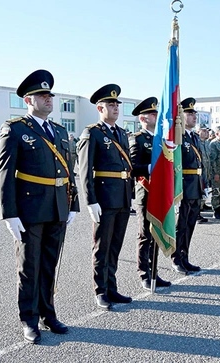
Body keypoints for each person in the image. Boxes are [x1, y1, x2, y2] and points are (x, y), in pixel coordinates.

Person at [0, 70, 79, 344]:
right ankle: (29, 319)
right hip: (29, 209)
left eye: (49, 95)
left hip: (57, 206)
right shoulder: (16, 129)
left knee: (49, 265)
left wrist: (74, 203)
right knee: (29, 267)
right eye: (42, 95)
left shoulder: (59, 130)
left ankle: (48, 313)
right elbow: (5, 174)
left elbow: (69, 169)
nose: (48, 99)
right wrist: (9, 214)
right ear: (28, 101)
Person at [78, 84, 133, 309]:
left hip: (122, 197)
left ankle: (112, 287)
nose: (116, 108)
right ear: (100, 108)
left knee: (115, 245)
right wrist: (91, 200)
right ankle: (100, 290)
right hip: (104, 198)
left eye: (117, 104)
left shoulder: (121, 133)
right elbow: (84, 169)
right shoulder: (92, 133)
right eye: (111, 104)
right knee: (102, 246)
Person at [128, 96, 172, 290]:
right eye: (152, 114)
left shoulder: (160, 140)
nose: (156, 116)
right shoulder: (137, 139)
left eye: (156, 113)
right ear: (142, 118)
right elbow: (132, 167)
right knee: (145, 234)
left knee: (156, 233)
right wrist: (150, 167)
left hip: (159, 192)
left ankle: (154, 272)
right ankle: (144, 273)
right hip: (145, 191)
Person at [171, 97, 204, 275]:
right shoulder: (177, 136)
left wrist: (204, 185)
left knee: (190, 224)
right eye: (189, 113)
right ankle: (176, 258)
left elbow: (201, 164)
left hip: (195, 187)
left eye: (194, 113)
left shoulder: (195, 137)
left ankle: (185, 257)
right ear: (181, 116)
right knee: (180, 225)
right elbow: (173, 165)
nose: (193, 116)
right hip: (182, 187)